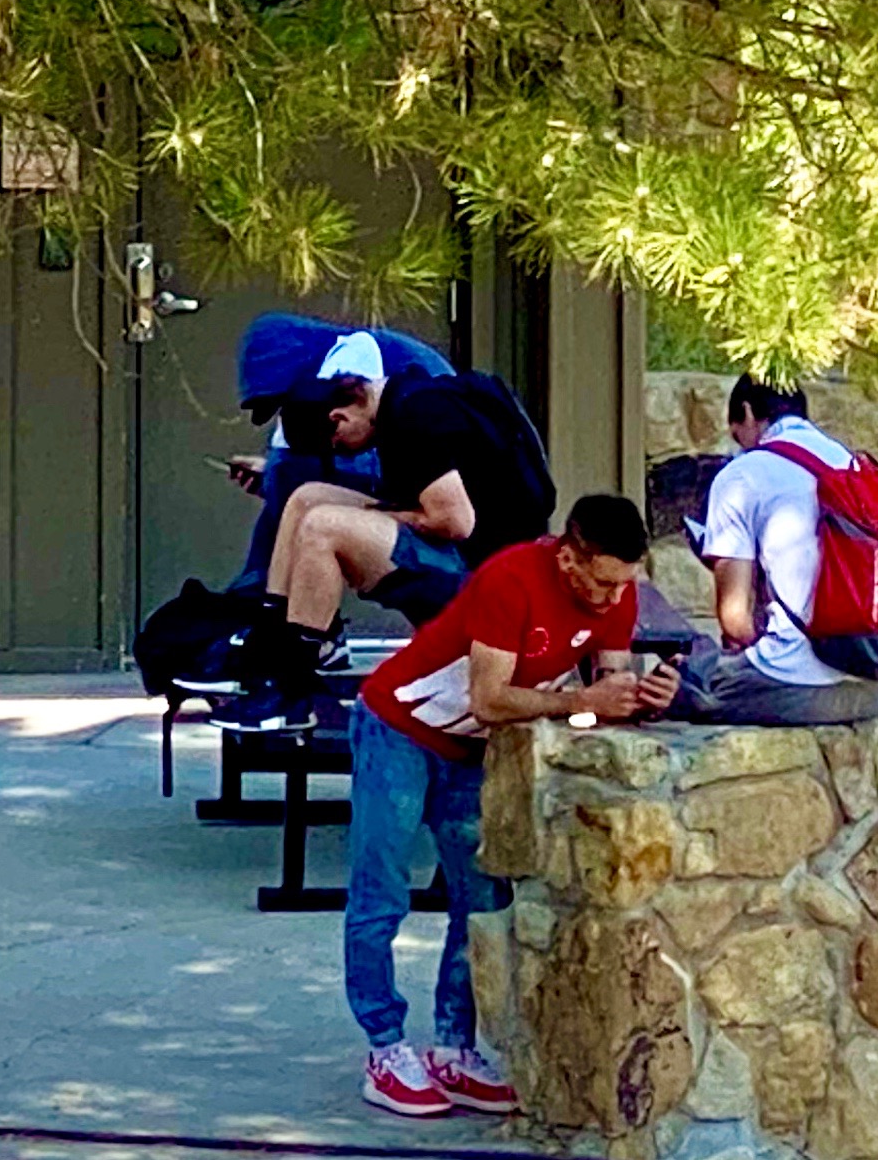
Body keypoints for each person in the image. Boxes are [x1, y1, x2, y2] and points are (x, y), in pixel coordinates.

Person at [348, 494, 675, 1118]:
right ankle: (384, 1046)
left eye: (624, 584)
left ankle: (453, 1047)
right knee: (380, 890)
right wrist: (588, 701)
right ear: (568, 557)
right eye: (601, 582)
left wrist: (644, 698)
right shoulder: (510, 578)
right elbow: (492, 698)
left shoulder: (617, 592)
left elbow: (607, 692)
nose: (611, 600)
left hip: (471, 750)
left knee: (482, 899)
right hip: (399, 729)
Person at [217, 343, 558, 730]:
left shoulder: (414, 417)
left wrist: (379, 517)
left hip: (485, 573)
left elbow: (455, 522)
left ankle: (293, 691)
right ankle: (271, 643)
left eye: (335, 445)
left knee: (324, 526)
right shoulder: (408, 393)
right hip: (471, 551)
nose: (341, 452)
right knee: (308, 500)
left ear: (340, 417)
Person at [666, 377, 878, 726]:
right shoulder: (853, 464)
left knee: (685, 677)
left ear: (746, 412)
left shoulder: (741, 476)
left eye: (737, 432)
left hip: (796, 685)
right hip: (873, 684)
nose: (739, 445)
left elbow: (735, 621)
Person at [225, 313, 452, 589]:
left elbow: (451, 517)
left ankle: (281, 610)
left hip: (457, 543)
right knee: (297, 492)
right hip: (422, 513)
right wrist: (272, 477)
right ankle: (268, 607)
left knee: (317, 520)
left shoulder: (393, 385)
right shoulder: (323, 391)